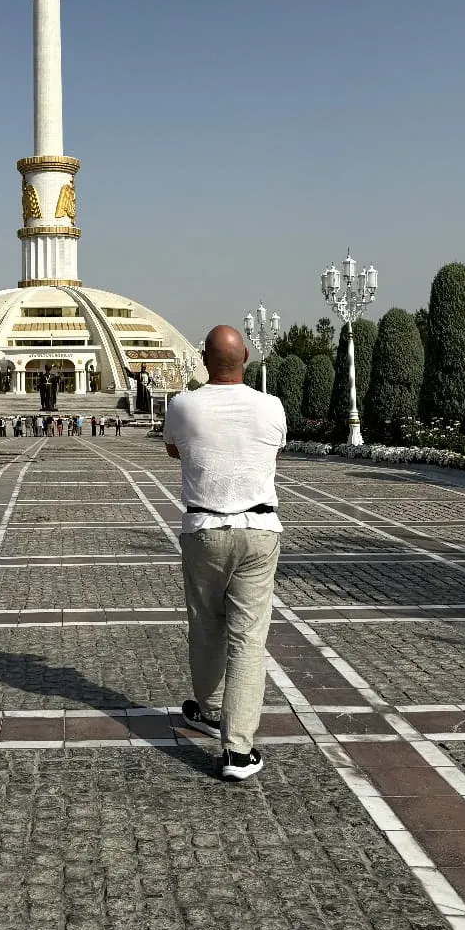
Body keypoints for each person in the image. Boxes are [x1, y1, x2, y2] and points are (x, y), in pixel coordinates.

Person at [162, 325, 286, 782]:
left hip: (205, 530)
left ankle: (211, 711)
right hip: (259, 531)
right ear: (247, 356)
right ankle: (237, 749)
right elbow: (275, 447)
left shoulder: (183, 405)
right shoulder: (271, 406)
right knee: (248, 640)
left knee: (206, 624)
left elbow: (174, 450)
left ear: (202, 359)